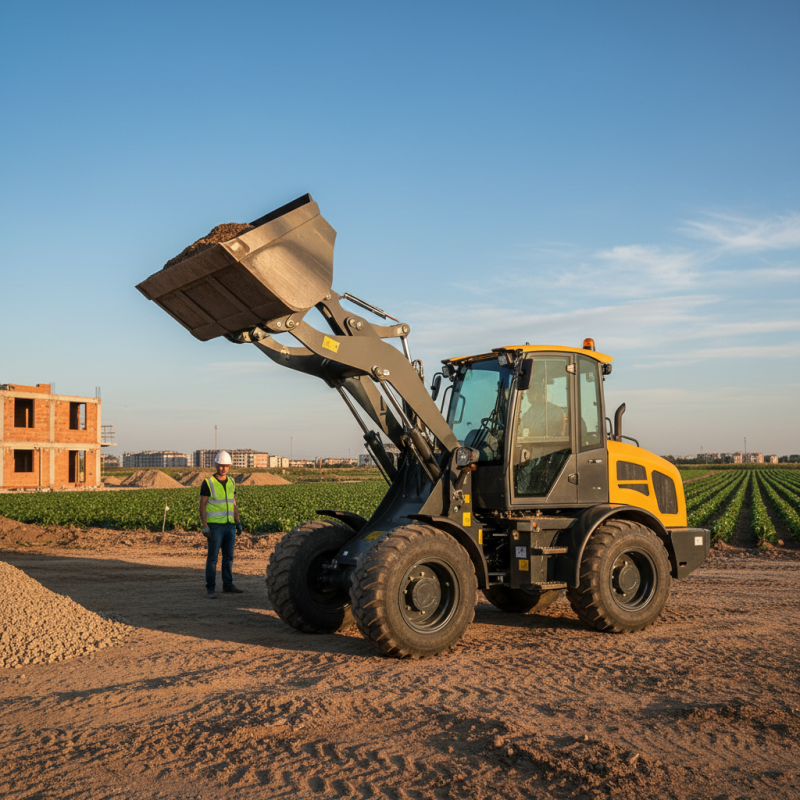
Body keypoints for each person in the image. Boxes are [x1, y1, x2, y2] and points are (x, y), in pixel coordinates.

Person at [200, 451, 244, 598]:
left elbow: (234, 503)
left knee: (228, 557)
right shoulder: (208, 483)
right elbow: (203, 505)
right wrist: (205, 525)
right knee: (212, 558)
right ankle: (210, 588)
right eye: (221, 466)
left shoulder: (232, 482)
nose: (223, 468)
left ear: (229, 466)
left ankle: (228, 585)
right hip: (215, 526)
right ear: (216, 465)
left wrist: (237, 522)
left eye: (226, 466)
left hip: (229, 525)